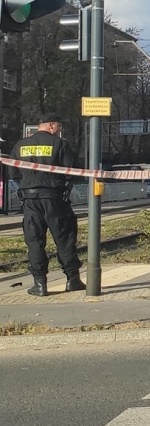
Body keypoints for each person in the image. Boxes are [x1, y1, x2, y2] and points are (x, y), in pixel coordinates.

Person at [9, 112, 84, 296]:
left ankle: (40, 284)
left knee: (34, 241)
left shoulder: (21, 145)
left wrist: (29, 184)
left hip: (30, 200)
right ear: (51, 125)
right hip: (55, 199)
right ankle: (72, 280)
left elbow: (14, 173)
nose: (60, 130)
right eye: (59, 126)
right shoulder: (59, 144)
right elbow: (71, 171)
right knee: (64, 238)